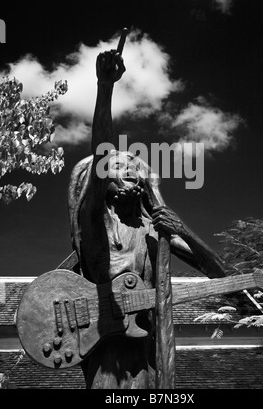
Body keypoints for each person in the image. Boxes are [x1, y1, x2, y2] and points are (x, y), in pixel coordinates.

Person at [68, 48, 226, 389]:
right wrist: (105, 88)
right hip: (108, 357)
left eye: (134, 166)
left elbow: (220, 273)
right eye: (117, 167)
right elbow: (101, 153)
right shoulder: (97, 222)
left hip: (150, 351)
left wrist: (179, 225)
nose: (126, 169)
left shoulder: (156, 234)